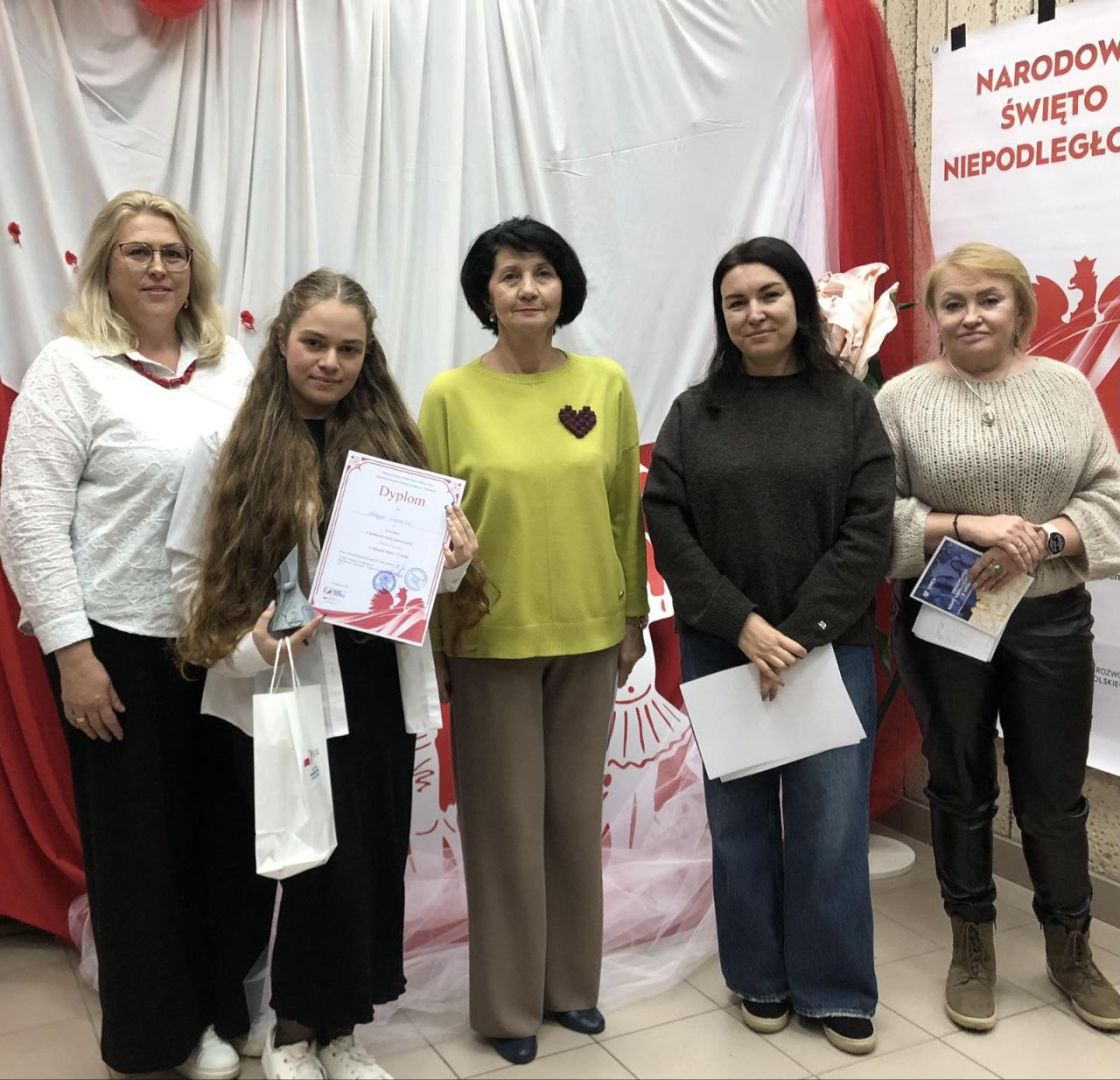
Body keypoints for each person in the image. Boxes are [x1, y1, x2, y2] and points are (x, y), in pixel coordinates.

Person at [170, 269, 482, 1080]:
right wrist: (247, 647)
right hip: (284, 690)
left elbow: (422, 581)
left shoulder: (390, 447)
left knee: (369, 865)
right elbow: (186, 576)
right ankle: (286, 1033)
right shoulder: (226, 444)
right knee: (308, 867)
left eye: (349, 349)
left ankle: (338, 1029)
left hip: (376, 687)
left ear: (367, 355)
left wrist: (452, 561)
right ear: (281, 341)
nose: (331, 362)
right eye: (314, 343)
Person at [0, 191, 255, 1078]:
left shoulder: (229, 364)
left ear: (194, 269)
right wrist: (71, 653)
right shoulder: (70, 369)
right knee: (140, 847)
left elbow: (268, 483)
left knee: (227, 837)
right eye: (138, 252)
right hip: (117, 647)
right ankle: (157, 1033)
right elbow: (29, 518)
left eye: (172, 253)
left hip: (225, 643)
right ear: (106, 265)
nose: (157, 268)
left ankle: (223, 1007)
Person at [643, 236, 894, 1056]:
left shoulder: (848, 406)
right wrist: (743, 623)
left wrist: (801, 631)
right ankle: (758, 976)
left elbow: (869, 528)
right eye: (736, 301)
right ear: (722, 316)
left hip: (829, 649)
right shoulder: (695, 412)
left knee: (829, 825)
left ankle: (835, 985)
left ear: (799, 304)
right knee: (740, 823)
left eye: (769, 295)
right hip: (725, 647)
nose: (754, 313)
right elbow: (666, 522)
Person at [417, 217, 648, 1066]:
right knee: (505, 827)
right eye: (509, 274)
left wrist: (631, 616)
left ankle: (571, 988)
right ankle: (509, 1005)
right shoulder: (448, 396)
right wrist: (436, 640)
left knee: (571, 819)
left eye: (542, 272)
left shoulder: (606, 383)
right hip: (488, 638)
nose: (527, 288)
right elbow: (432, 530)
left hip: (591, 632)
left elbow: (624, 508)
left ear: (564, 289)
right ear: (486, 294)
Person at [876, 241, 1120, 1033]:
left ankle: (1071, 951)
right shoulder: (901, 400)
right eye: (953, 303)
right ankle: (972, 947)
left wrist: (1043, 538)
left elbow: (1110, 498)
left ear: (1020, 308)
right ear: (935, 317)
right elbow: (872, 515)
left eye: (989, 299)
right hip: (945, 614)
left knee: (1054, 796)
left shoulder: (1067, 389)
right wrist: (965, 525)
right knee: (960, 785)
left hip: (1050, 618)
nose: (971, 316)